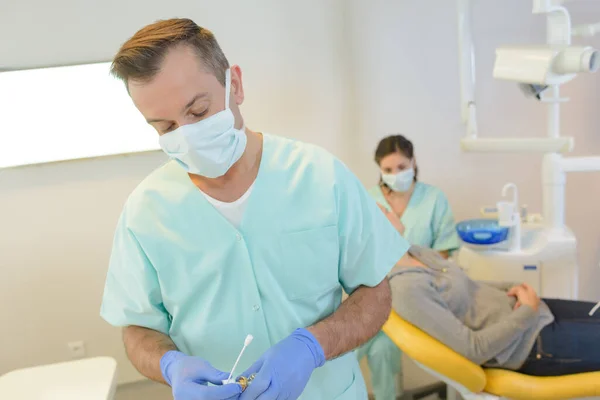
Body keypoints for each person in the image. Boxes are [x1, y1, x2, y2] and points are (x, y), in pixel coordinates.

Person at [99, 18, 410, 400]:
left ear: (236, 85)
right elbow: (137, 329)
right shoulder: (144, 214)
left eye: (198, 111)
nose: (188, 135)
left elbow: (375, 292)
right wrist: (169, 364)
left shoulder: (321, 177)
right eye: (166, 127)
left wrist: (314, 346)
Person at [356, 134, 460, 400]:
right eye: (388, 170)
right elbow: (358, 251)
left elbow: (443, 256)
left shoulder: (434, 199)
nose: (395, 174)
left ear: (413, 162)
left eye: (401, 168)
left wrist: (405, 260)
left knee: (380, 348)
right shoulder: (369, 200)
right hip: (374, 293)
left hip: (417, 293)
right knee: (366, 350)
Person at [390, 245, 600, 376]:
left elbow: (470, 285)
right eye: (384, 211)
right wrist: (527, 311)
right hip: (528, 342)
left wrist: (513, 287)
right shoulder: (406, 287)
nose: (392, 210)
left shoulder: (417, 253)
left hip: (534, 311)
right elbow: (473, 349)